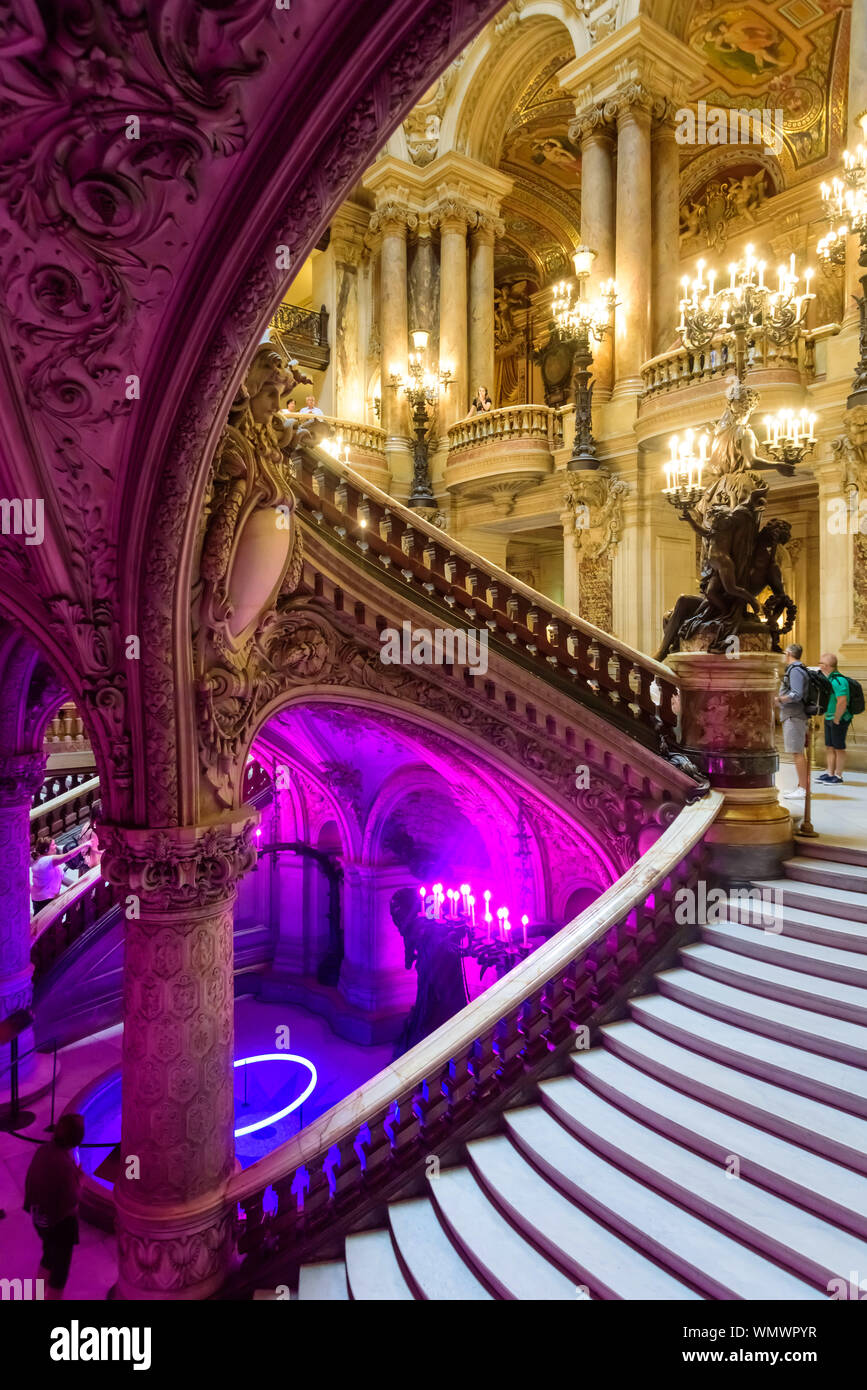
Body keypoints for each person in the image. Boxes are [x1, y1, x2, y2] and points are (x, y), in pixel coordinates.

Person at [23, 1113, 86, 1300]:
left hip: (39, 1219)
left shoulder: (43, 1150)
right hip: (59, 1226)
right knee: (59, 1274)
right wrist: (80, 1182)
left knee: (48, 1257)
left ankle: (36, 1296)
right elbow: (72, 1203)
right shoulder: (65, 1167)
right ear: (77, 1139)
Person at [775, 642, 809, 800]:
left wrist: (779, 699)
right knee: (797, 752)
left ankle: (803, 788)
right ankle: (801, 786)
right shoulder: (796, 669)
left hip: (794, 715)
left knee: (797, 753)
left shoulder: (795, 670)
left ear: (788, 654)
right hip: (793, 715)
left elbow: (796, 694)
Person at [30, 834, 92, 914]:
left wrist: (77, 885)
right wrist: (86, 844)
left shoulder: (44, 860)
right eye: (53, 844)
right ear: (46, 850)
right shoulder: (47, 860)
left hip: (43, 897)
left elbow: (61, 879)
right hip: (44, 900)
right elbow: (68, 856)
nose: (56, 846)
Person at [817, 651, 852, 784]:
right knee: (830, 746)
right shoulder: (829, 679)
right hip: (829, 717)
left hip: (839, 718)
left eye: (820, 663)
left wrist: (837, 718)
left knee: (839, 747)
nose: (819, 665)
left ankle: (838, 775)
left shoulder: (839, 680)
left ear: (826, 665)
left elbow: (842, 701)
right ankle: (829, 773)